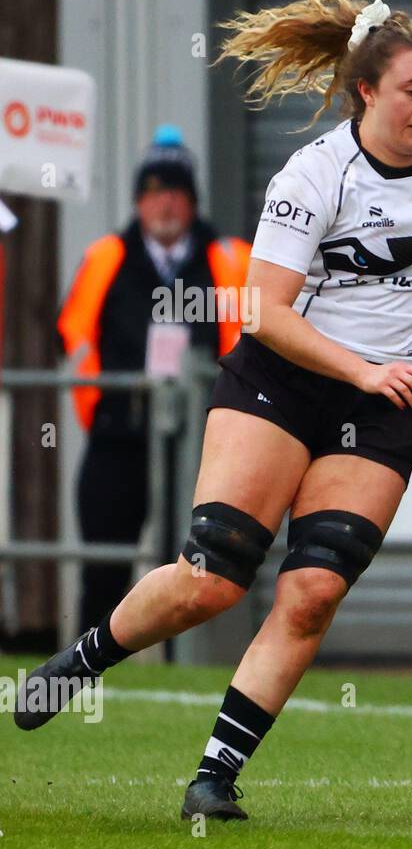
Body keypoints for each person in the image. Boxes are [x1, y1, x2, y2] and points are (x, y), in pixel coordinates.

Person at [18, 0, 412, 825]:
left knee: (314, 590)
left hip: (387, 401)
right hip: (281, 383)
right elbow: (267, 312)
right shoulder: (316, 173)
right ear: (366, 91)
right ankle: (85, 657)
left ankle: (215, 775)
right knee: (213, 578)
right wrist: (361, 370)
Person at [57, 126, 250, 630]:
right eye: (154, 192)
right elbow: (70, 338)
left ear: (192, 202)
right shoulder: (106, 259)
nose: (165, 204)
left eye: (176, 193)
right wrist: (101, 405)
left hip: (203, 447)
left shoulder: (228, 259)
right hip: (117, 438)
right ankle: (84, 673)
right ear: (138, 201)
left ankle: (186, 676)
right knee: (104, 568)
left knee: (193, 574)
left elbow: (256, 339)